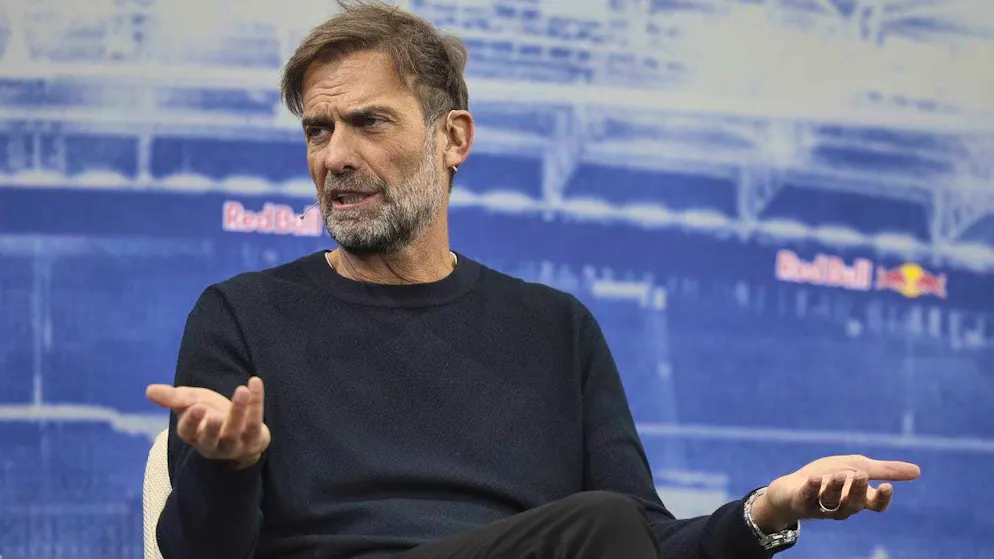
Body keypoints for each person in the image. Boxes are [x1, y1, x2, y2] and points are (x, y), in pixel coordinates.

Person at [144, 1, 921, 558]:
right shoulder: (241, 314)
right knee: (600, 525)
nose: (335, 156)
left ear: (453, 138)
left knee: (610, 524)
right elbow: (195, 551)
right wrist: (229, 466)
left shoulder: (556, 328)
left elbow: (646, 539)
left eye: (368, 122)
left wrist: (766, 509)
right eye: (318, 129)